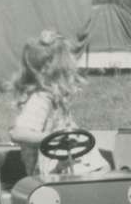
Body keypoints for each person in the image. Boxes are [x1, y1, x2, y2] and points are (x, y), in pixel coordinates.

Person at [9, 29, 110, 175]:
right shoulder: (40, 100)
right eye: (67, 72)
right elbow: (17, 133)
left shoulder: (56, 99)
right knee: (89, 172)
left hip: (63, 156)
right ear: (53, 72)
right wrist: (51, 138)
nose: (70, 76)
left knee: (103, 167)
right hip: (48, 164)